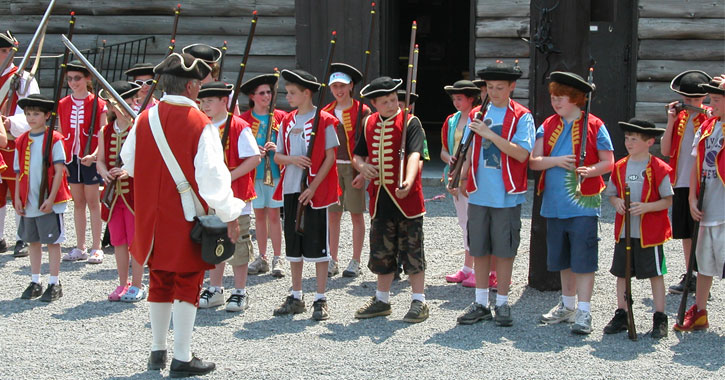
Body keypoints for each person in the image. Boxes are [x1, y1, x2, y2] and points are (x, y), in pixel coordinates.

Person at [120, 53, 243, 377]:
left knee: (159, 280)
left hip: (150, 218)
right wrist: (231, 214)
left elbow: (128, 163)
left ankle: (157, 352)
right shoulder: (200, 124)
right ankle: (181, 356)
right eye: (199, 86)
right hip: (185, 218)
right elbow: (213, 181)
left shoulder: (143, 119)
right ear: (190, 86)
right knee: (187, 282)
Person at [530, 71, 614, 335]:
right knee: (563, 258)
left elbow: (608, 162)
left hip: (584, 204)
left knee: (584, 259)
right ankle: (567, 305)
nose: (556, 103)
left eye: (562, 98)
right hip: (554, 204)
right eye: (554, 97)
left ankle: (584, 311)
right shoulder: (547, 124)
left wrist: (591, 171)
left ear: (577, 99)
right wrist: (555, 161)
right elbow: (534, 161)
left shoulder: (596, 125)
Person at [453, 64, 535, 327]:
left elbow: (522, 154)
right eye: (490, 87)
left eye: (500, 87)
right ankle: (480, 302)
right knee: (479, 248)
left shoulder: (522, 116)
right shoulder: (477, 113)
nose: (495, 92)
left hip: (506, 194)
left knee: (504, 249)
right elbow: (467, 150)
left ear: (512, 87)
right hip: (479, 192)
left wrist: (490, 134)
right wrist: (461, 175)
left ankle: (502, 302)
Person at [352, 76, 429, 323]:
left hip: (407, 201)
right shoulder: (367, 123)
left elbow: (415, 154)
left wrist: (408, 180)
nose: (391, 104)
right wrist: (362, 167)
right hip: (380, 200)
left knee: (413, 252)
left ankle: (419, 301)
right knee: (381, 252)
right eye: (385, 101)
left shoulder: (411, 122)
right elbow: (357, 155)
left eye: (394, 99)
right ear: (374, 103)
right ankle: (382, 300)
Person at [272, 69, 340, 321]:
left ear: (306, 93)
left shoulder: (325, 120)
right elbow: (277, 155)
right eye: (287, 92)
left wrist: (313, 187)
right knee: (294, 245)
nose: (287, 97)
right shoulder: (287, 121)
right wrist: (292, 159)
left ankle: (320, 298)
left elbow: (330, 157)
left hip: (314, 192)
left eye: (292, 93)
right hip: (291, 189)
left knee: (318, 247)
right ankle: (296, 295)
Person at [603, 118, 673, 339]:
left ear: (649, 141)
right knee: (622, 274)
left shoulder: (659, 168)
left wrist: (646, 207)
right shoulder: (620, 166)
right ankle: (622, 313)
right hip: (625, 231)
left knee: (655, 273)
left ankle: (660, 317)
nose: (628, 143)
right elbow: (612, 194)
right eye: (626, 138)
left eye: (634, 139)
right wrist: (617, 203)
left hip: (649, 233)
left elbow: (667, 200)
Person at [197, 81, 260, 312]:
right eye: (202, 101)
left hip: (236, 199)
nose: (205, 106)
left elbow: (253, 158)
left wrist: (229, 175)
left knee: (238, 244)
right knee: (214, 242)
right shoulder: (202, 127)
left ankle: (240, 291)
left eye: (209, 101)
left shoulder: (239, 126)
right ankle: (215, 289)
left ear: (224, 101)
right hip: (211, 199)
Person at [674, 78, 725, 332]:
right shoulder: (707, 128)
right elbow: (697, 167)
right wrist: (692, 198)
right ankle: (700, 311)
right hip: (706, 208)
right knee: (703, 264)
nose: (711, 104)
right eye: (712, 100)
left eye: (716, 100)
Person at [14, 94, 71, 302]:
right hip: (28, 200)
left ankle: (54, 281)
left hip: (48, 200)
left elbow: (58, 171)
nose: (31, 118)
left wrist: (52, 197)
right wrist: (18, 199)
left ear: (47, 116)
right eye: (28, 114)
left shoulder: (55, 139)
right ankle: (35, 280)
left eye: (36, 114)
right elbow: (19, 172)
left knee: (52, 242)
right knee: (33, 241)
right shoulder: (21, 140)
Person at [659, 70, 712, 295]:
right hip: (680, 181)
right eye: (687, 99)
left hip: (702, 183)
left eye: (695, 100)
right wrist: (671, 121)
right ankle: (689, 274)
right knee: (685, 232)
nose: (690, 103)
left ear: (703, 99)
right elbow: (664, 149)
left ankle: (702, 279)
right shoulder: (679, 117)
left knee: (700, 232)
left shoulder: (710, 117)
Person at [96, 81, 146, 302]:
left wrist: (129, 171)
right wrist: (105, 172)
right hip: (113, 195)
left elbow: (148, 161)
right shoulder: (105, 131)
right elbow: (100, 160)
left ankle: (137, 284)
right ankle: (122, 283)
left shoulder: (139, 128)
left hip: (134, 193)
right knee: (118, 241)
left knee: (136, 241)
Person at [322, 63, 370, 277]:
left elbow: (367, 142)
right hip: (332, 169)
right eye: (335, 87)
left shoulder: (363, 110)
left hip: (353, 169)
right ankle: (333, 258)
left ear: (351, 86)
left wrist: (362, 171)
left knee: (356, 214)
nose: (339, 90)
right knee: (333, 215)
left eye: (343, 85)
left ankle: (356, 260)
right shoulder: (326, 112)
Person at [57, 60, 107, 264]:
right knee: (78, 203)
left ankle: (97, 247)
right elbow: (60, 133)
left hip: (90, 159)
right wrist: (61, 160)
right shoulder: (63, 104)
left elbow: (102, 133)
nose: (73, 82)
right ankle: (80, 246)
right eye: (69, 79)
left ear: (87, 79)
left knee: (93, 203)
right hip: (71, 158)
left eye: (77, 78)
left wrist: (94, 155)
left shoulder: (99, 103)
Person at [239, 73, 287, 278]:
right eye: (262, 93)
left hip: (275, 173)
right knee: (259, 216)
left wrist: (277, 148)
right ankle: (262, 256)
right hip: (254, 175)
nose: (266, 96)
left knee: (275, 216)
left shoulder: (281, 117)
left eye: (269, 92)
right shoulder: (243, 121)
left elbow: (287, 143)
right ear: (252, 96)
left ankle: (278, 257)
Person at [1, 30, 40, 257]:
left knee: (19, 191)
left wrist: (10, 123)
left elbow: (32, 111)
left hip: (15, 142)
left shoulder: (23, 79)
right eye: (2, 51)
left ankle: (21, 237)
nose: (6, 56)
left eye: (8, 51)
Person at [440, 80, 479, 287]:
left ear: (471, 99)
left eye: (460, 98)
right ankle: (467, 267)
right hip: (454, 174)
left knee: (474, 222)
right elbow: (444, 150)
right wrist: (450, 159)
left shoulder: (478, 119)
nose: (456, 102)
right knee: (464, 222)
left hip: (471, 176)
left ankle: (477, 269)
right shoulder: (451, 121)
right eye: (454, 99)